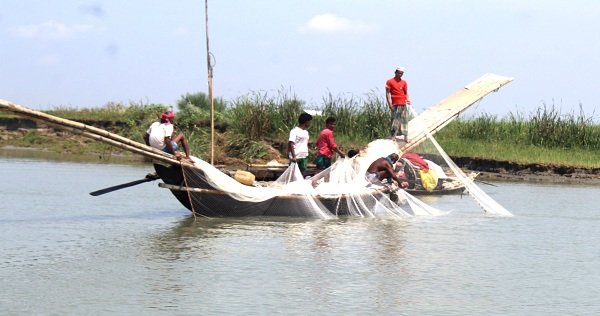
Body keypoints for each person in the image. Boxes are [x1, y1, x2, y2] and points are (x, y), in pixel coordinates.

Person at [385, 66, 411, 142]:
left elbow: (406, 93)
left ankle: (405, 137)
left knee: (404, 120)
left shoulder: (404, 82)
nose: (400, 75)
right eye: (399, 73)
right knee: (395, 121)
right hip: (395, 103)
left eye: (401, 73)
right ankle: (393, 136)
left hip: (403, 103)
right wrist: (389, 104)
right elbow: (388, 93)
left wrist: (408, 100)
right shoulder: (390, 81)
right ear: (395, 72)